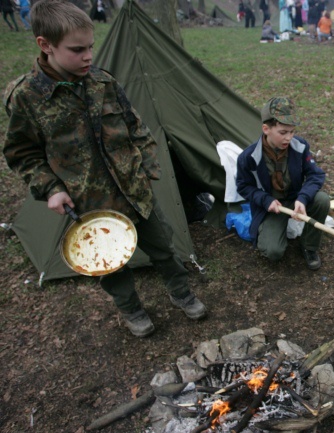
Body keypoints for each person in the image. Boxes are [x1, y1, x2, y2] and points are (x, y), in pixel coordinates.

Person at [2, 0, 207, 338]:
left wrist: (148, 167)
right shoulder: (27, 97)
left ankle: (181, 293)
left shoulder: (102, 82)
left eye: (91, 47)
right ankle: (131, 309)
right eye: (77, 49)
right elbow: (23, 154)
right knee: (109, 265)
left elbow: (136, 127)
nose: (88, 57)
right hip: (89, 204)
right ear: (45, 45)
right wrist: (52, 189)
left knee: (164, 247)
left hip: (134, 191)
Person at [236, 97, 329, 271]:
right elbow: (243, 186)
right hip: (272, 207)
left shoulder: (299, 146)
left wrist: (303, 198)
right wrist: (265, 200)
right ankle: (278, 230)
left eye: (292, 132)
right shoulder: (248, 157)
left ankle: (309, 246)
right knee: (273, 252)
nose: (289, 138)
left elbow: (315, 175)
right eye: (283, 132)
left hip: (295, 200)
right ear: (266, 129)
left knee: (322, 199)